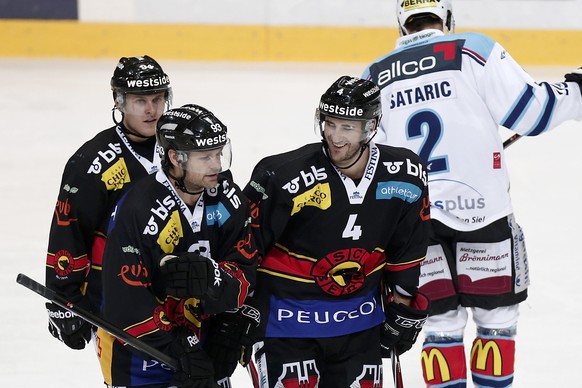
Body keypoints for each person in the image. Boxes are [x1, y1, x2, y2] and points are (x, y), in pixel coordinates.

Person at [362, 1, 582, 387]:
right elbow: (533, 113)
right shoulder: (471, 49)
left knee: (440, 325)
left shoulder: (374, 75)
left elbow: (365, 165)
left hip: (414, 225)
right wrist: (577, 91)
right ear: (446, 18)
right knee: (496, 321)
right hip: (483, 213)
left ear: (401, 25)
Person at [242, 75, 431, 387]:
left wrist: (402, 301)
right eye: (330, 123)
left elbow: (408, 247)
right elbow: (245, 247)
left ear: (370, 127)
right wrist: (238, 309)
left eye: (348, 126)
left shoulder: (407, 174)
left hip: (359, 322)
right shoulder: (282, 175)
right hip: (286, 323)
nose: (335, 137)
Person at [98, 104, 259, 388]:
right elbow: (124, 302)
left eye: (219, 153)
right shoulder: (137, 209)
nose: (217, 165)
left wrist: (224, 321)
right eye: (205, 156)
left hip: (204, 350)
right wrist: (181, 348)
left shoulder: (227, 199)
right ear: (175, 157)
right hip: (139, 358)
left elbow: (244, 269)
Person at [45, 55, 172, 350]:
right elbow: (69, 231)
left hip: (179, 295)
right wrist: (63, 298)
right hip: (120, 297)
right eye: (141, 101)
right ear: (119, 102)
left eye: (158, 98)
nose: (152, 110)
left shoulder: (180, 146)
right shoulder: (93, 162)